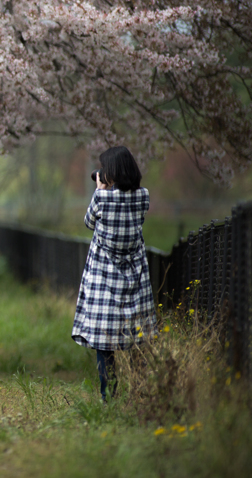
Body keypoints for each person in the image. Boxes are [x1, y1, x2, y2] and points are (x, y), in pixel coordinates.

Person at [72, 145, 156, 402]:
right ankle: (141, 393)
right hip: (134, 275)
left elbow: (89, 222)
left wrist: (100, 189)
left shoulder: (101, 198)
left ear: (112, 172)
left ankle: (108, 395)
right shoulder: (143, 196)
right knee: (134, 338)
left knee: (104, 342)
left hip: (104, 277)